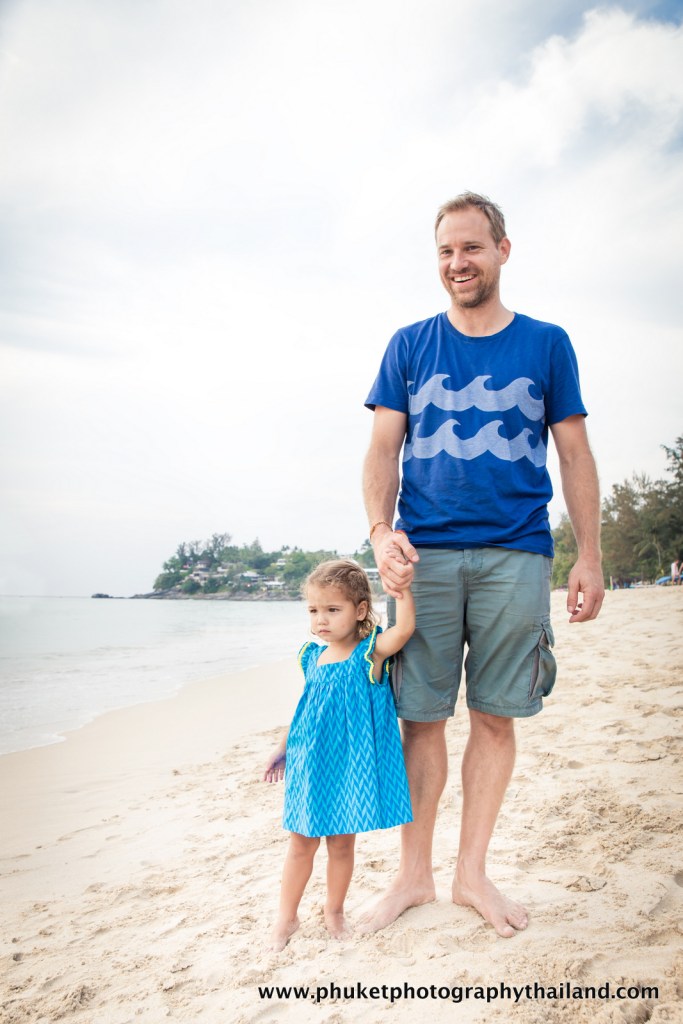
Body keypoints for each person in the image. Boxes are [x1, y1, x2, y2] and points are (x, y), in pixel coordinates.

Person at [361, 191, 604, 939]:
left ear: (502, 250)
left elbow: (571, 451)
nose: (456, 263)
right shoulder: (409, 344)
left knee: (495, 718)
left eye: (470, 248)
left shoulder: (545, 342)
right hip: (423, 557)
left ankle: (470, 873)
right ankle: (413, 875)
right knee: (420, 718)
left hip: (516, 553)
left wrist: (588, 555)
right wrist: (378, 531)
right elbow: (382, 449)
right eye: (444, 251)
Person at [263, 559, 415, 952]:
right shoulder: (311, 657)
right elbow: (304, 710)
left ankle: (334, 910)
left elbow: (404, 630)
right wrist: (282, 749)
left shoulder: (370, 653)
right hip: (310, 765)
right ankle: (287, 916)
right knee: (301, 842)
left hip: (349, 769)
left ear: (360, 610)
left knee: (342, 845)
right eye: (314, 611)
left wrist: (402, 590)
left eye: (333, 609)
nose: (321, 620)